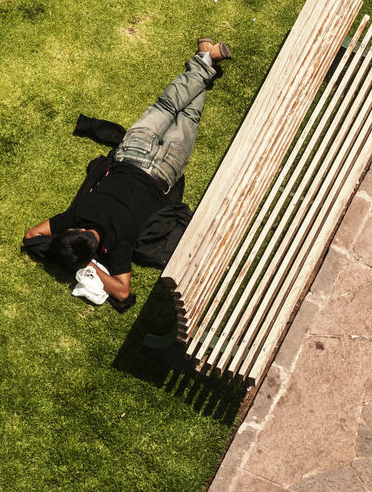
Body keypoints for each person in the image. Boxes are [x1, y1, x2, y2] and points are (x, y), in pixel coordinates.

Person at [23, 39, 232, 307]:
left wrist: (88, 263)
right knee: (166, 106)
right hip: (132, 152)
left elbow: (122, 292)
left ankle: (206, 59)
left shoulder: (118, 244)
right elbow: (32, 235)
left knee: (189, 118)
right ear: (75, 230)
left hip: (163, 171)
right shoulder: (74, 215)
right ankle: (204, 58)